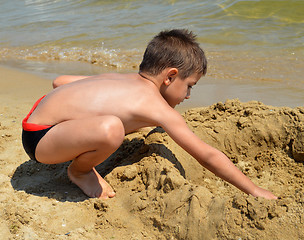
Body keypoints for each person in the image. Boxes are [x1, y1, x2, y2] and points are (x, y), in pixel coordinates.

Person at [22, 29, 277, 200]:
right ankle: (79, 171)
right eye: (189, 86)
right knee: (112, 128)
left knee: (117, 120)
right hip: (40, 140)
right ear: (170, 76)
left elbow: (59, 82)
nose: (188, 96)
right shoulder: (156, 107)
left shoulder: (124, 79)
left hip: (39, 113)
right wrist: (254, 189)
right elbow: (207, 155)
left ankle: (80, 144)